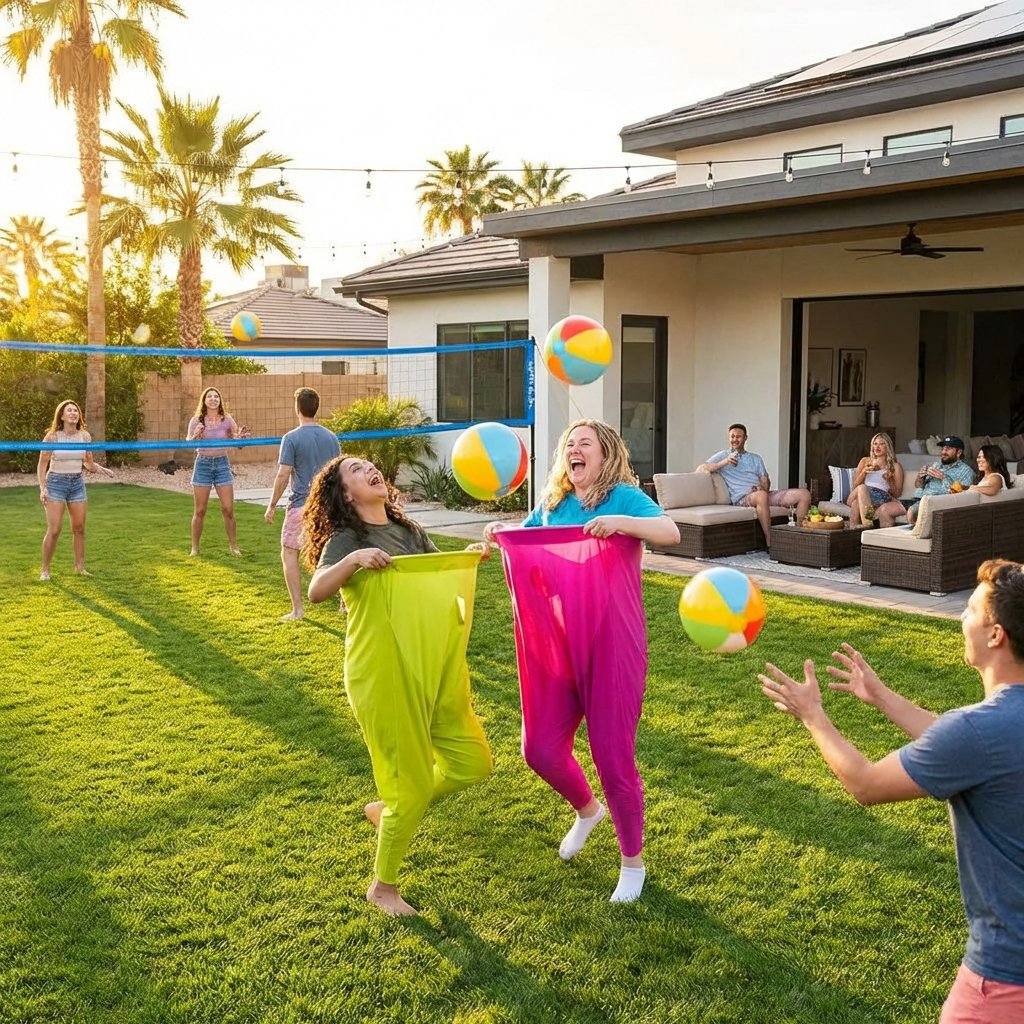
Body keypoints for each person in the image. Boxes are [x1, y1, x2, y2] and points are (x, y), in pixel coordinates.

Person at [758, 559, 1024, 1023]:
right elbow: (966, 747)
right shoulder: (992, 731)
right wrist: (882, 697)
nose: (961, 618)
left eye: (970, 610)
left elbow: (865, 783)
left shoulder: (979, 731)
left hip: (1005, 975)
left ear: (996, 635)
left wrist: (812, 716)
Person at [483, 419, 680, 903]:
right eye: (569, 445)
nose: (574, 450)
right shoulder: (552, 504)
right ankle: (588, 810)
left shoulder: (624, 497)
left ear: (605, 453)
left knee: (613, 757)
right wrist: (497, 533)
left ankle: (632, 864)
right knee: (540, 749)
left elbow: (669, 531)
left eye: (584, 444)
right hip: (556, 642)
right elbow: (525, 543)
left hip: (613, 642)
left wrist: (621, 524)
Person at [304, 454, 492, 916]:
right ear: (345, 493)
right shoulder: (348, 538)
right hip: (382, 670)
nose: (369, 469)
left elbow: (435, 575)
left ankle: (389, 810)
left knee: (473, 764)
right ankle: (382, 887)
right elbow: (316, 591)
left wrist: (468, 560)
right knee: (407, 784)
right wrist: (352, 560)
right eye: (355, 470)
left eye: (370, 465)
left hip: (432, 662)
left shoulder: (409, 532)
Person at [264, 388, 340, 622]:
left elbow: (283, 474)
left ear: (297, 408)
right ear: (317, 408)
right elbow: (339, 474)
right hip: (327, 505)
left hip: (301, 505)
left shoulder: (291, 438)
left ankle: (298, 610)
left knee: (289, 553)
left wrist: (271, 505)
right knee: (336, 554)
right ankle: (345, 605)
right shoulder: (331, 437)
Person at [36, 398, 115, 580]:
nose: (73, 413)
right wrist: (43, 488)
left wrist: (102, 470)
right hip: (55, 482)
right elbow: (42, 465)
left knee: (79, 528)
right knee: (54, 529)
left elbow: (88, 463)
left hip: (77, 483)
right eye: (69, 410)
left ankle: (80, 568)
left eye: (75, 411)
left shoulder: (84, 436)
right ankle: (45, 570)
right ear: (61, 416)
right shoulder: (52, 437)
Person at [698, 423, 811, 548]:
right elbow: (701, 468)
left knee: (804, 494)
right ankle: (770, 541)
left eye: (738, 437)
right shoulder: (723, 455)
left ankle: (801, 536)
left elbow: (765, 483)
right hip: (743, 498)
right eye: (732, 436)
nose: (735, 439)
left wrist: (762, 486)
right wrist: (724, 463)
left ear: (746, 438)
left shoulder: (755, 458)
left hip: (761, 494)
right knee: (761, 496)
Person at [186, 387, 251, 556]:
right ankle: (195, 548)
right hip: (203, 464)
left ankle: (234, 546)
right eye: (210, 396)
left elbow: (238, 444)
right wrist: (195, 436)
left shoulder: (227, 420)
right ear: (204, 400)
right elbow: (188, 445)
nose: (213, 399)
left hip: (222, 463)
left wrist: (241, 438)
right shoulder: (196, 420)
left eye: (216, 396)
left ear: (220, 400)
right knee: (200, 511)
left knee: (228, 509)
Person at [906, 435, 976, 525]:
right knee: (889, 506)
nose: (943, 452)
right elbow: (918, 485)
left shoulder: (966, 472)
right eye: (943, 448)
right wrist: (920, 477)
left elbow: (963, 496)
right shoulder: (936, 465)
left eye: (948, 448)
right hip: (917, 498)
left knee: (911, 512)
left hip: (936, 503)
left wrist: (944, 477)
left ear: (959, 452)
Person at [848, 432, 906, 527]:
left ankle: (858, 533)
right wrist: (864, 472)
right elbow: (855, 486)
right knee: (861, 489)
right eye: (875, 444)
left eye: (881, 444)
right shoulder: (865, 461)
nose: (877, 447)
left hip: (881, 498)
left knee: (855, 503)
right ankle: (867, 523)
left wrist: (889, 480)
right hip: (862, 495)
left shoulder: (895, 466)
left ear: (888, 447)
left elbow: (898, 493)